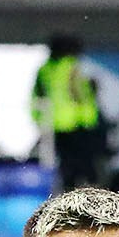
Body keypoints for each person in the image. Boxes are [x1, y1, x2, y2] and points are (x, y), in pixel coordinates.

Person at [33, 36, 107, 191]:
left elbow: (37, 96)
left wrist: (39, 119)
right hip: (77, 122)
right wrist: (89, 109)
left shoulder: (44, 69)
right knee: (85, 163)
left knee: (66, 164)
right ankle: (90, 194)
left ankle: (67, 192)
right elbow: (78, 93)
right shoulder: (70, 66)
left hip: (55, 123)